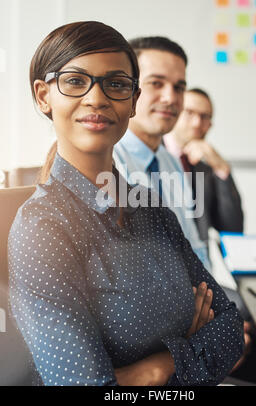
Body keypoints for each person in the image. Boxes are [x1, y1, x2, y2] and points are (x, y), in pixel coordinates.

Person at [8, 21, 244, 386]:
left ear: (132, 102)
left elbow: (228, 330)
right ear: (43, 96)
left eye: (116, 84)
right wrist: (188, 346)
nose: (97, 98)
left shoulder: (150, 208)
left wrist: (158, 367)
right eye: (75, 81)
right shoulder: (43, 227)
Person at [113, 37, 210, 271]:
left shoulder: (170, 161)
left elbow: (193, 245)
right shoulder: (108, 160)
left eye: (179, 87)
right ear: (128, 87)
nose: (170, 98)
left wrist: (211, 297)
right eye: (156, 83)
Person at [164, 88, 244, 248]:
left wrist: (222, 169)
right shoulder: (151, 154)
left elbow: (233, 229)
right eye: (190, 113)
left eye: (204, 117)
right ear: (175, 111)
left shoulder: (205, 170)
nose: (197, 123)